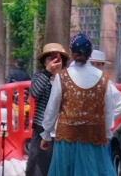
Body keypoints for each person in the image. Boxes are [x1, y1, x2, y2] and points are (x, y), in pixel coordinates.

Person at [40, 34, 121, 176]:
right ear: (89, 54)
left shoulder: (62, 77)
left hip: (66, 140)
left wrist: (46, 134)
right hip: (94, 139)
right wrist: (105, 131)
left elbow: (52, 108)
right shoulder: (102, 78)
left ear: (72, 53)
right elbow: (108, 110)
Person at [26, 42, 69, 176]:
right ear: (44, 62)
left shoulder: (68, 80)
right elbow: (34, 92)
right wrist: (48, 73)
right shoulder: (39, 77)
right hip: (42, 131)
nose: (55, 62)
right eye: (51, 58)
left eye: (58, 59)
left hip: (63, 132)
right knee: (38, 169)